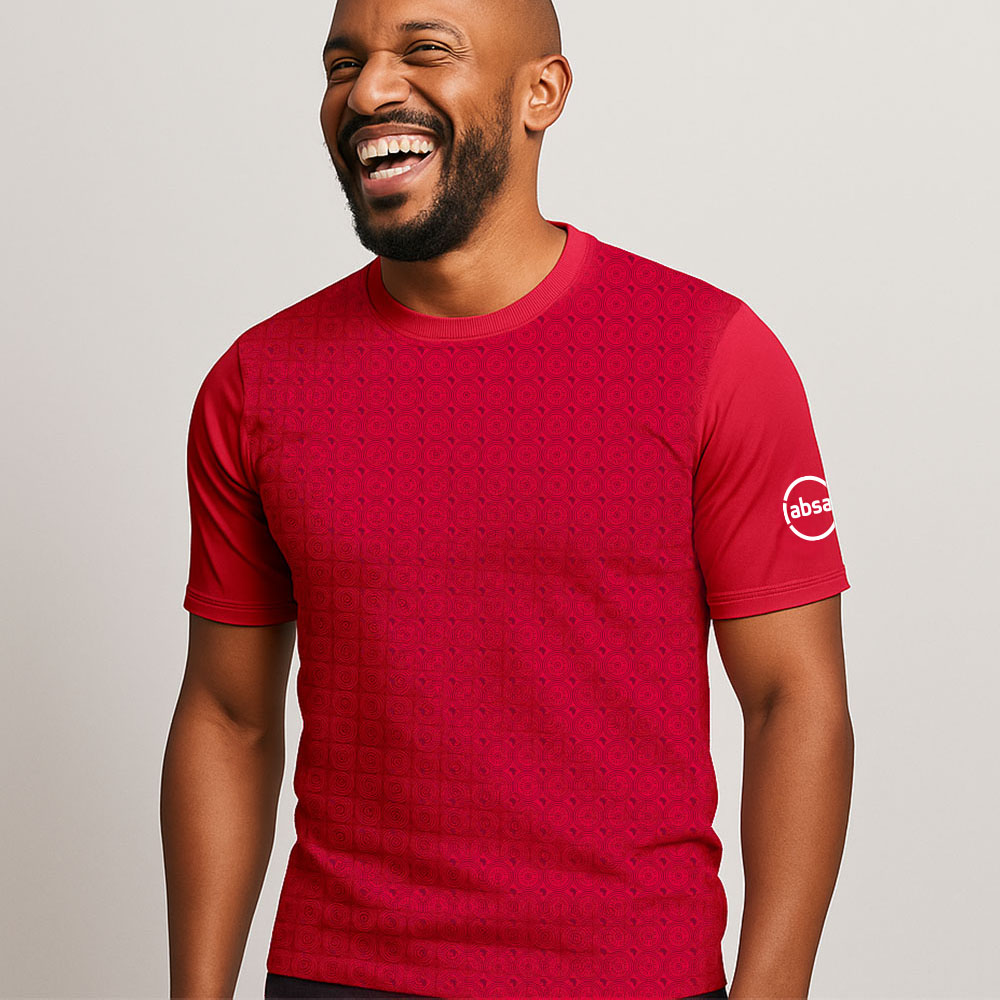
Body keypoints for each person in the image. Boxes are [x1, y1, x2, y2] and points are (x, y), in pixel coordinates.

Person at [161, 0, 854, 997]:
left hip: (630, 977)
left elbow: (795, 701)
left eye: (424, 51)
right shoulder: (256, 384)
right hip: (341, 971)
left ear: (542, 93)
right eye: (343, 64)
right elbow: (227, 715)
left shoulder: (709, 356)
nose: (369, 90)